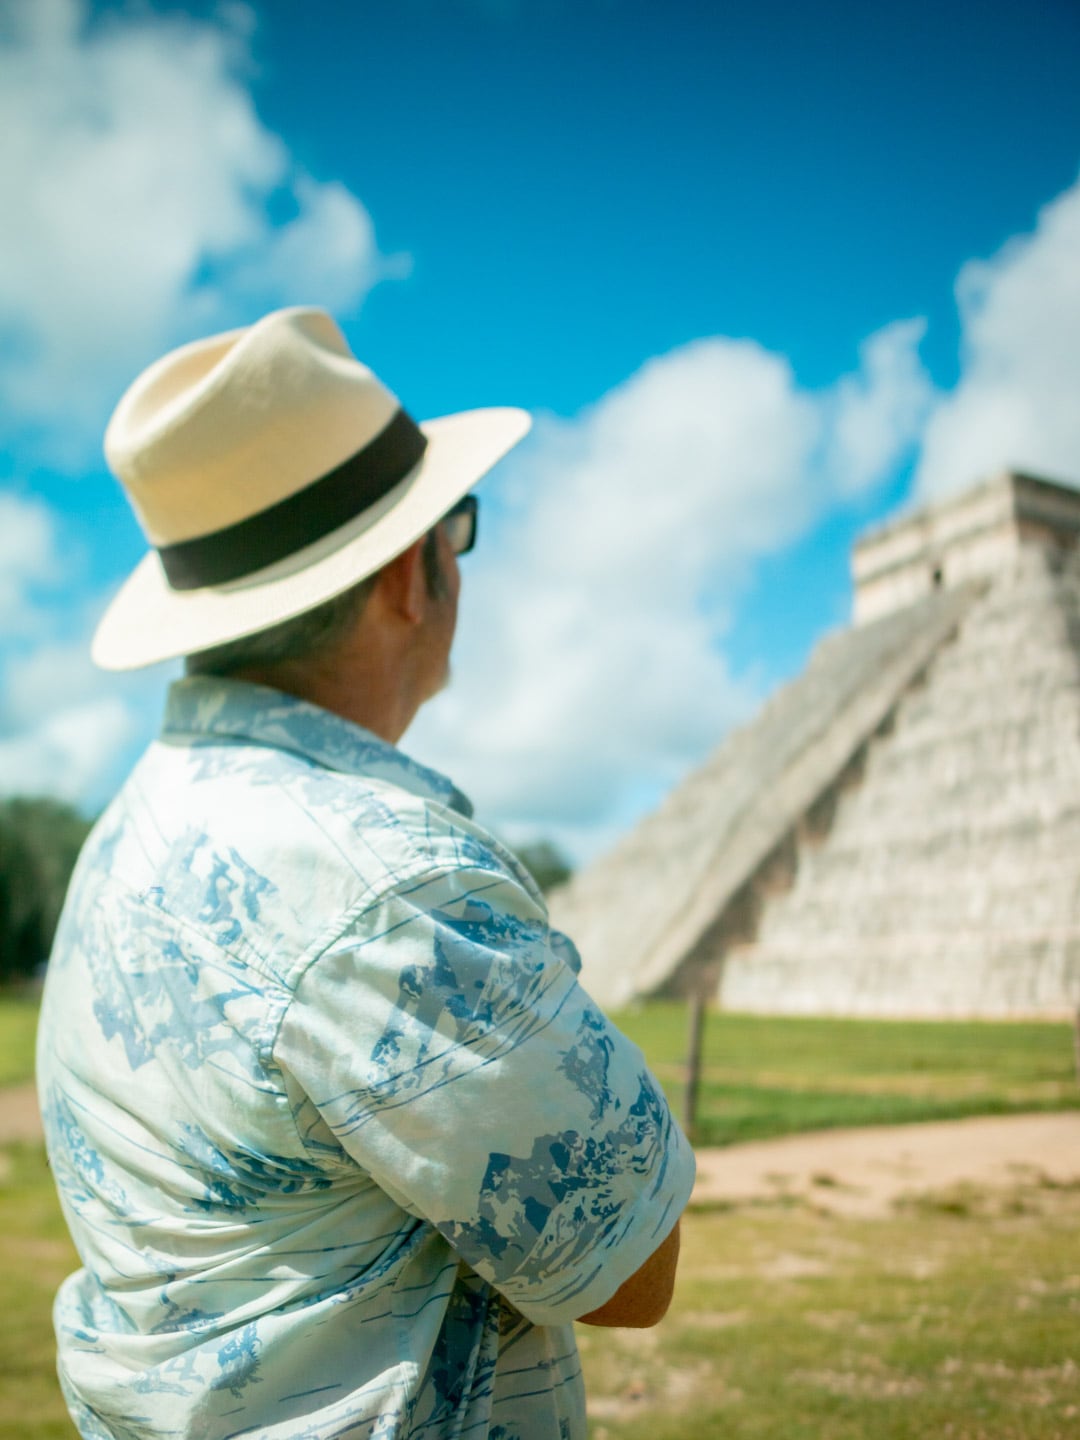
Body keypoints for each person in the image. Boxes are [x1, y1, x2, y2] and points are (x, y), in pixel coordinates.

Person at [36, 307, 696, 1440]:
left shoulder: (131, 831)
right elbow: (629, 1267)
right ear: (408, 573)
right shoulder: (389, 887)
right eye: (459, 529)